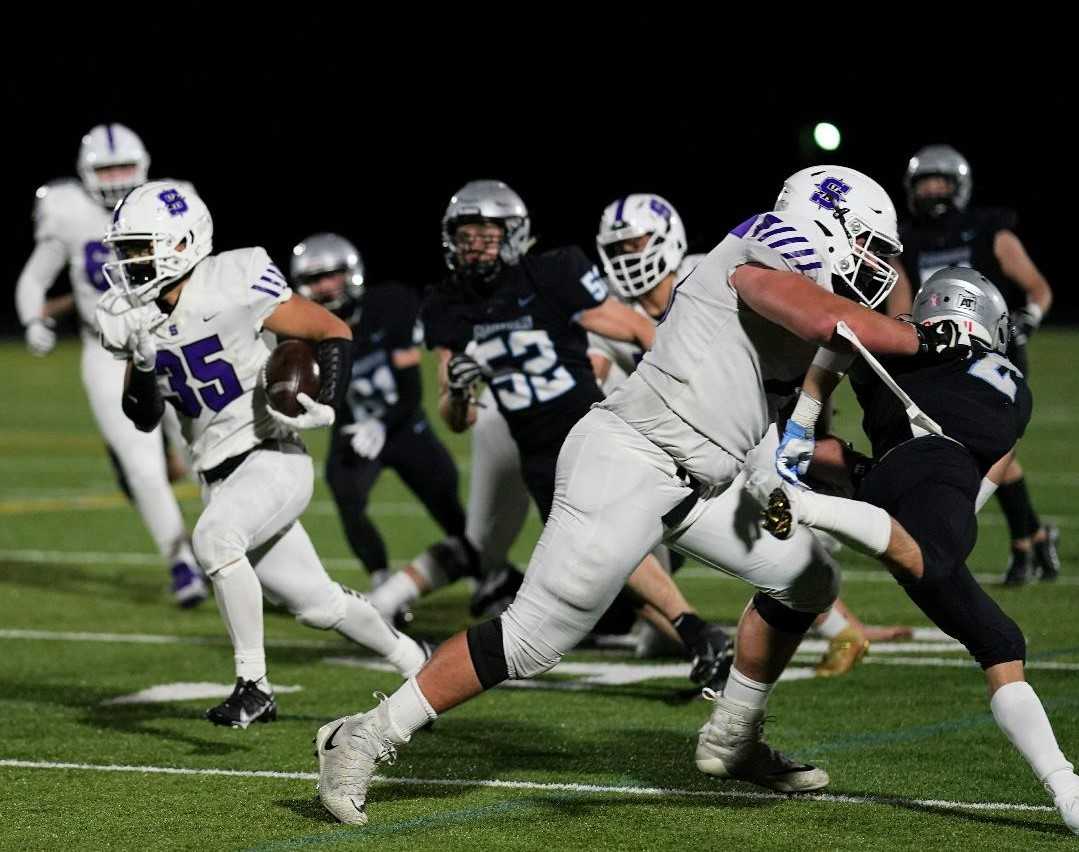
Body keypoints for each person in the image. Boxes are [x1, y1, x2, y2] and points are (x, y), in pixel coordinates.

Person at [313, 165, 962, 825]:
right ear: (825, 223)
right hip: (632, 456)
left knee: (809, 577)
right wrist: (930, 337)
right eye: (869, 245)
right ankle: (364, 734)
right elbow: (824, 318)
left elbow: (780, 411)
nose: (877, 264)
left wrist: (846, 464)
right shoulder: (765, 247)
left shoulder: (813, 305)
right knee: (533, 639)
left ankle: (734, 735)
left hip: (701, 474)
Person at [96, 182, 428, 728]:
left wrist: (326, 401)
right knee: (318, 605)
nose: (129, 262)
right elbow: (143, 416)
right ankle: (416, 663)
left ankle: (255, 685)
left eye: (138, 248)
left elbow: (331, 329)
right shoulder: (129, 313)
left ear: (181, 243)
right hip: (219, 475)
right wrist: (146, 364)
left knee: (212, 539)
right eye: (126, 249)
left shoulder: (235, 279)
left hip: (271, 455)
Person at [761, 267, 1078, 835]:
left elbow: (841, 335)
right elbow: (988, 474)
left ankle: (1067, 788)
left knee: (1001, 640)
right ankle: (800, 506)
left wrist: (802, 425)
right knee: (931, 559)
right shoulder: (1013, 386)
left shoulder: (904, 341)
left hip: (900, 478)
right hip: (939, 479)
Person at [15, 124, 205, 607]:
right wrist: (30, 320)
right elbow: (34, 278)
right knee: (141, 466)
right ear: (84, 174)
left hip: (173, 338)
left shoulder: (167, 202)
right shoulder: (69, 210)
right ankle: (180, 560)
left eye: (124, 167)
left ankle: (231, 548)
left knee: (205, 450)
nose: (117, 178)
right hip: (108, 350)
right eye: (106, 170)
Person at [889, 145, 1058, 585]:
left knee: (993, 445)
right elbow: (902, 309)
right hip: (942, 356)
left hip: (995, 351)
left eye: (939, 182)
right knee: (991, 448)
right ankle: (1034, 538)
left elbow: (1037, 287)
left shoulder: (988, 230)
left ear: (958, 185)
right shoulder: (907, 242)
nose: (931, 190)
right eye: (924, 183)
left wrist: (1030, 318)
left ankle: (1028, 544)